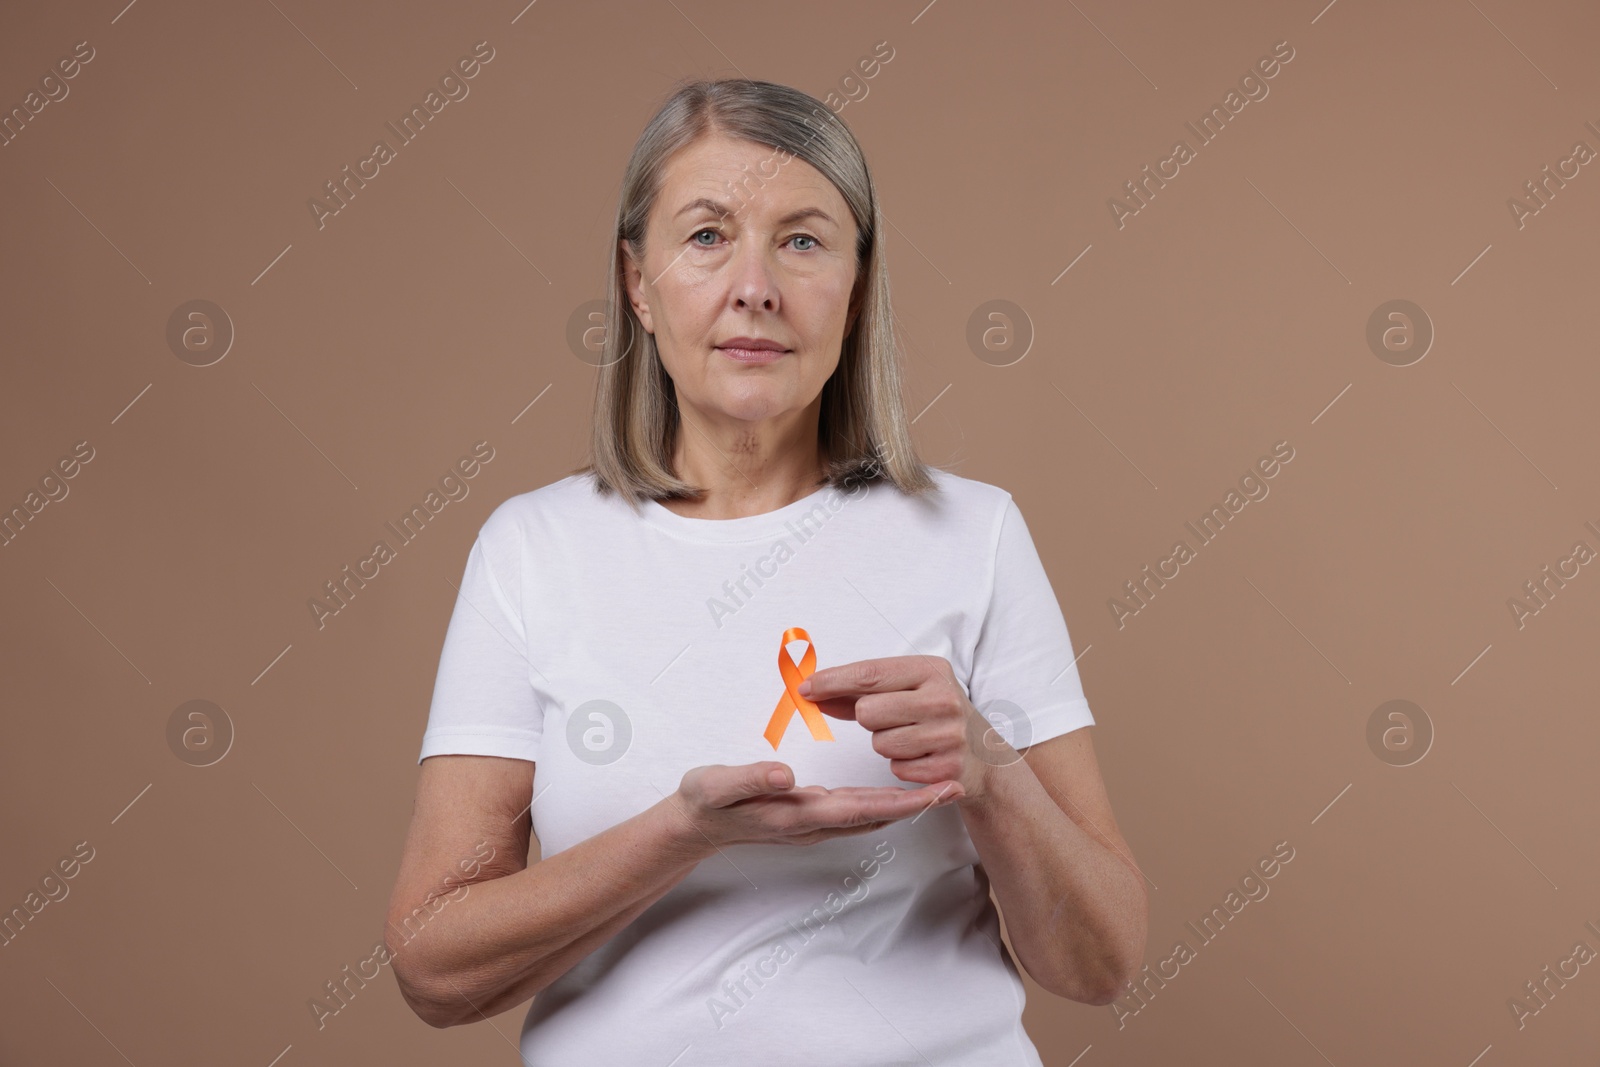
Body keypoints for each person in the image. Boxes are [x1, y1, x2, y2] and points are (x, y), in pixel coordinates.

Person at [385, 76, 1147, 1065]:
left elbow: (1102, 961)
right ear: (636, 282)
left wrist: (992, 774)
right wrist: (681, 833)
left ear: (857, 286)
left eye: (802, 239)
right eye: (706, 236)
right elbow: (433, 967)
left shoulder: (975, 533)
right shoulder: (532, 550)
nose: (755, 286)